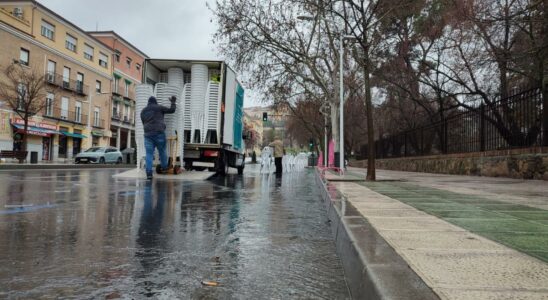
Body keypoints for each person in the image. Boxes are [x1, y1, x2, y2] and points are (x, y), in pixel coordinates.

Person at [140, 95, 176, 180]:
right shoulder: (159, 108)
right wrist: (173, 102)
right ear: (155, 102)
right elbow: (172, 110)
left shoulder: (143, 111)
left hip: (148, 135)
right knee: (162, 151)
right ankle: (164, 167)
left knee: (149, 154)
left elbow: (143, 123)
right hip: (159, 133)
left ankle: (149, 173)